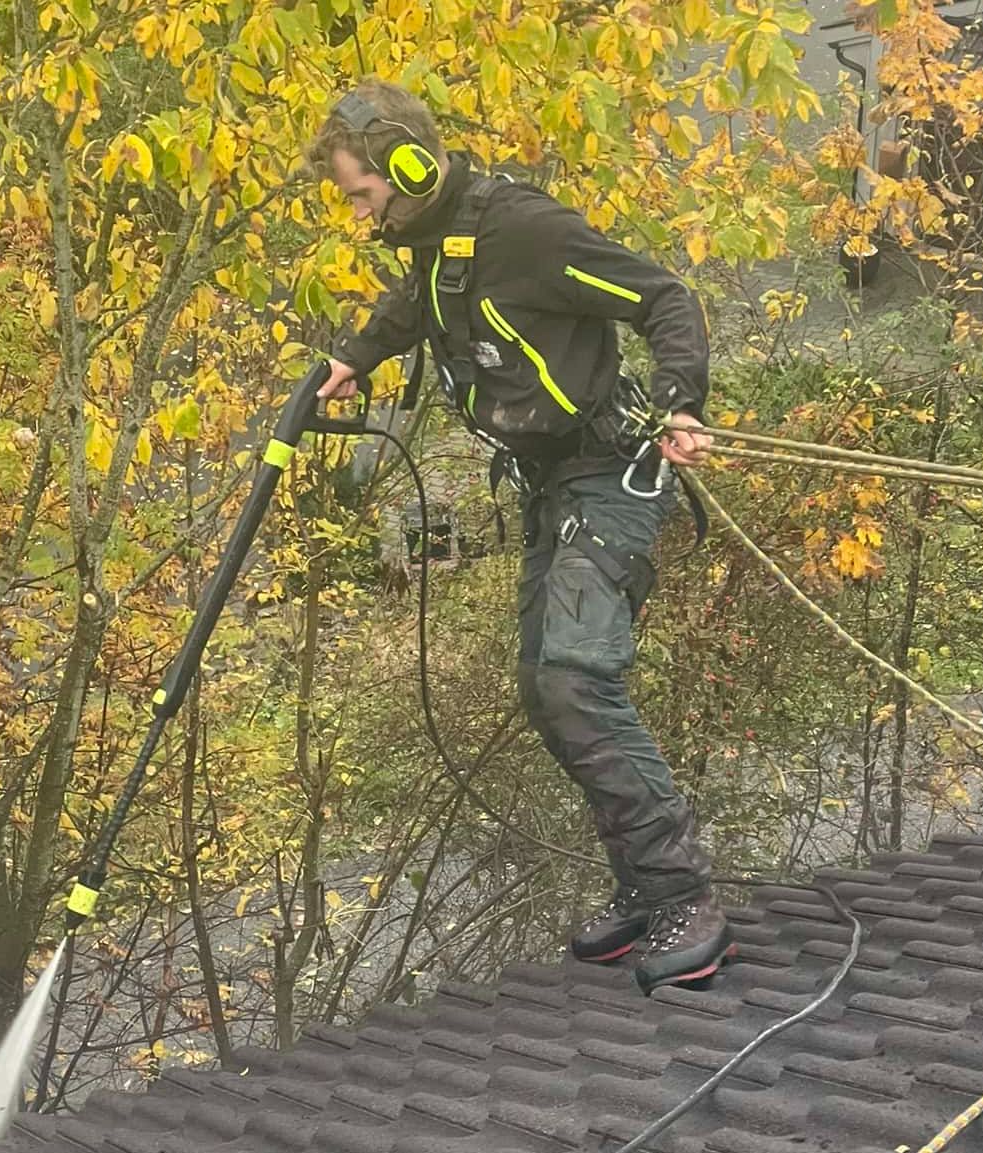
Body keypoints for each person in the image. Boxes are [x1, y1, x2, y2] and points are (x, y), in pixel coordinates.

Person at [305, 79, 730, 993]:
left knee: (575, 676)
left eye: (359, 192)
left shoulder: (526, 230)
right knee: (545, 687)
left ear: (405, 167)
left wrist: (682, 400)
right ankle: (644, 888)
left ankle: (685, 895)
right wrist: (354, 355)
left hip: (612, 469)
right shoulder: (438, 238)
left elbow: (664, 298)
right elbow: (423, 299)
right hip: (551, 483)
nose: (357, 210)